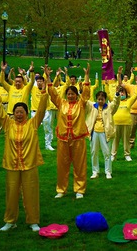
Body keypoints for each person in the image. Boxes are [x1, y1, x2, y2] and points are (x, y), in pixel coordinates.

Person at [0, 69, 48, 232]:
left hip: (29, 164)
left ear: (25, 113)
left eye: (21, 112)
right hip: (12, 165)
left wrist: (44, 93)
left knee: (31, 193)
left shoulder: (32, 124)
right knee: (11, 194)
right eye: (16, 112)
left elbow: (41, 110)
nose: (18, 114)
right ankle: (10, 220)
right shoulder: (8, 124)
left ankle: (33, 221)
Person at [47, 64, 91, 199]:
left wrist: (87, 76)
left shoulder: (81, 103)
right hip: (63, 139)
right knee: (62, 165)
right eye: (69, 94)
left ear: (76, 95)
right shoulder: (61, 103)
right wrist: (48, 77)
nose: (71, 95)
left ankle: (79, 189)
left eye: (73, 94)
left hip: (78, 139)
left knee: (79, 164)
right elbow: (52, 94)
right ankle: (61, 189)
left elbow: (86, 93)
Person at [85, 91, 120, 179]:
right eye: (98, 99)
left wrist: (117, 95)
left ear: (105, 99)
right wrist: (81, 91)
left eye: (102, 99)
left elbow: (116, 103)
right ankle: (95, 171)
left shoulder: (109, 107)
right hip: (94, 132)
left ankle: (108, 172)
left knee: (107, 152)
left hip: (105, 133)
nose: (100, 101)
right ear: (96, 99)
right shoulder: (92, 106)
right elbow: (84, 100)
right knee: (94, 152)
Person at [112, 68, 137, 161]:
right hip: (116, 123)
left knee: (126, 140)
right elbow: (115, 90)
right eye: (120, 92)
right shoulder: (115, 100)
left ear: (126, 94)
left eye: (123, 92)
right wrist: (118, 74)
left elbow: (136, 95)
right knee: (115, 140)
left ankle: (127, 154)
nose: (122, 93)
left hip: (126, 123)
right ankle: (113, 155)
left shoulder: (129, 101)